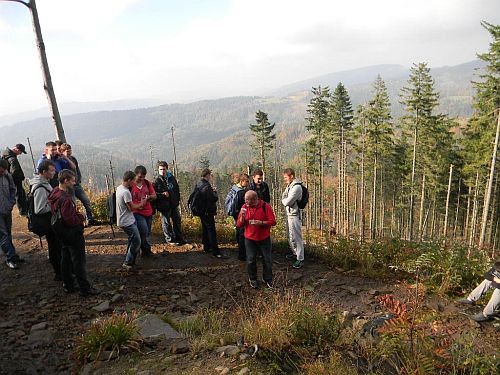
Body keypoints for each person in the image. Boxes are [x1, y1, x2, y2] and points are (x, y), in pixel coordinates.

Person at [48, 169, 97, 296]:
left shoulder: (55, 192)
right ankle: (85, 288)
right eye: (72, 180)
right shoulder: (65, 198)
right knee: (78, 261)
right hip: (72, 233)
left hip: (61, 231)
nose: (74, 182)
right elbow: (70, 220)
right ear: (65, 181)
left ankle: (68, 285)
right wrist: (80, 217)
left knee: (66, 258)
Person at [29, 159, 63, 280]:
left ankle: (61, 271)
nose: (54, 172)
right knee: (54, 247)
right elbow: (39, 209)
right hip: (47, 223)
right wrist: (55, 204)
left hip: (50, 222)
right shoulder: (40, 187)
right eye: (52, 170)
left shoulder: (45, 182)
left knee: (57, 246)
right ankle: (59, 273)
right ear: (44, 172)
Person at [237, 190, 276, 289]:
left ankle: (268, 279)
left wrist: (261, 223)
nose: (245, 202)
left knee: (267, 259)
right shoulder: (244, 207)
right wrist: (242, 216)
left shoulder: (265, 206)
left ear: (254, 199)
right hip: (249, 238)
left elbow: (273, 221)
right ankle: (253, 279)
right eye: (245, 200)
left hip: (264, 238)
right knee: (251, 260)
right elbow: (239, 224)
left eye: (247, 200)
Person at [59, 143, 98, 226]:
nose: (69, 153)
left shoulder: (73, 158)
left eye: (70, 151)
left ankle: (90, 219)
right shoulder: (61, 161)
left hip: (77, 184)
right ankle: (76, 222)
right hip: (69, 187)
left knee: (86, 201)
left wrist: (79, 179)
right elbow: (73, 167)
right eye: (67, 151)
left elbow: (77, 169)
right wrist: (65, 158)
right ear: (62, 151)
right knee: (73, 204)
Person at [116, 171, 145, 270]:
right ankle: (128, 262)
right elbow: (132, 208)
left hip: (124, 220)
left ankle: (130, 261)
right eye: (133, 181)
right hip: (127, 222)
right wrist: (142, 203)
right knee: (137, 241)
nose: (134, 183)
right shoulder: (126, 192)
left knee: (132, 240)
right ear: (129, 180)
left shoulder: (119, 188)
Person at [153, 161, 186, 245]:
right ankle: (170, 239)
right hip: (164, 206)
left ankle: (179, 238)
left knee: (177, 221)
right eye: (160, 169)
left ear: (167, 169)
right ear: (158, 170)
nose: (162, 171)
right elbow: (153, 194)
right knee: (166, 223)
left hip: (174, 204)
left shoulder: (172, 178)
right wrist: (162, 194)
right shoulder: (157, 181)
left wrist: (177, 200)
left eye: (164, 169)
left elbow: (177, 189)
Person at [196, 169, 223, 258]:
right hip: (208, 212)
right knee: (211, 231)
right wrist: (214, 192)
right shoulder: (207, 186)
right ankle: (216, 252)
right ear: (207, 175)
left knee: (205, 229)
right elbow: (213, 198)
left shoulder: (199, 184)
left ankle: (206, 247)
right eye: (210, 175)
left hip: (201, 211)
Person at [0, 159, 22, 269]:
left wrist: (11, 202)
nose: (3, 171)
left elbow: (13, 189)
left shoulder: (7, 176)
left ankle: (13, 256)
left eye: (4, 170)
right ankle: (10, 258)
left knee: (8, 233)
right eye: (1, 170)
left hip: (7, 210)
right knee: (3, 235)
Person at [130, 165, 156, 257]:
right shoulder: (131, 185)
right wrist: (136, 206)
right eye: (140, 176)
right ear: (135, 175)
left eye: (144, 176)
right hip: (137, 212)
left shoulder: (147, 183)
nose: (142, 178)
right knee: (144, 230)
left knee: (147, 232)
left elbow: (154, 195)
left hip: (148, 211)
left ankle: (145, 251)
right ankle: (141, 249)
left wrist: (149, 197)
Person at [282, 168, 304, 269]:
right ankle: (295, 253)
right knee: (291, 236)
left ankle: (300, 259)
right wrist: (285, 198)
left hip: (295, 215)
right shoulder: (290, 186)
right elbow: (285, 197)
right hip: (290, 214)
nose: (285, 179)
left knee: (297, 237)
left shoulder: (296, 187)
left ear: (291, 176)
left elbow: (287, 201)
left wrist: (284, 199)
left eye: (286, 177)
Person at [226, 173, 249, 261]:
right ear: (242, 181)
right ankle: (242, 255)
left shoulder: (234, 188)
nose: (247, 183)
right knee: (242, 234)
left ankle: (240, 250)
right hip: (241, 215)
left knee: (238, 231)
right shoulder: (241, 192)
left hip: (235, 214)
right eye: (246, 181)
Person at [2, 143, 28, 216]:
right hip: (15, 180)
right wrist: (17, 179)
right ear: (17, 149)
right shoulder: (12, 159)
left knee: (20, 194)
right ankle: (22, 211)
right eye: (20, 152)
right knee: (19, 195)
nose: (20, 154)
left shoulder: (6, 155)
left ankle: (23, 210)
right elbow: (14, 171)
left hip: (10, 179)